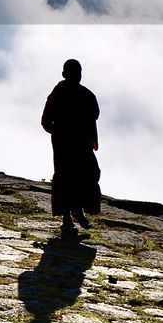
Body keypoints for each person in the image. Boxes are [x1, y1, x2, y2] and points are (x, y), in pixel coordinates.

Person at [40, 58, 101, 239]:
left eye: (78, 73)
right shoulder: (58, 93)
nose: (76, 77)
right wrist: (59, 133)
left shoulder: (86, 94)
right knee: (64, 179)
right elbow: (45, 120)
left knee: (89, 174)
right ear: (64, 74)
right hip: (64, 145)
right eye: (73, 73)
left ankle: (78, 210)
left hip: (81, 145)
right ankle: (67, 221)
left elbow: (94, 114)